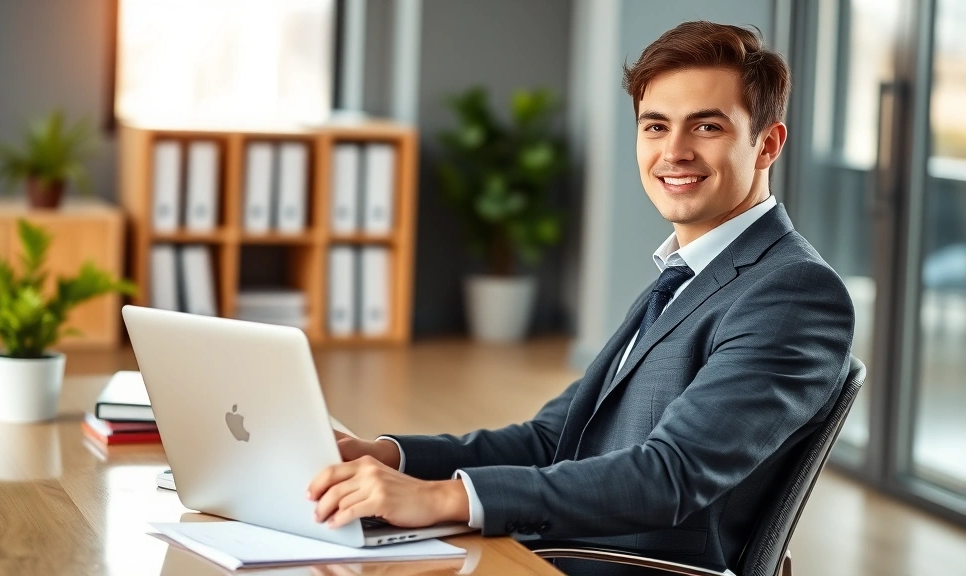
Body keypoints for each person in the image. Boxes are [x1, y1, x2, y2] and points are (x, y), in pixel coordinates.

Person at [306, 21, 855, 573]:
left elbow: (672, 475)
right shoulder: (685, 273)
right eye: (655, 126)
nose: (674, 151)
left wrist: (443, 498)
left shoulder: (792, 293)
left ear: (768, 145)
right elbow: (553, 438)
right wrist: (389, 456)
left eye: (707, 127)